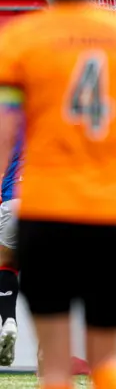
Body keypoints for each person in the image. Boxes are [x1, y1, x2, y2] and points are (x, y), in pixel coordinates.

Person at [0, 0, 116, 387]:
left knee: (55, 367)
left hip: (45, 210)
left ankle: (5, 320)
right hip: (112, 212)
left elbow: (5, 137)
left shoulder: (19, 40)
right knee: (107, 360)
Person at [0, 137, 22, 367]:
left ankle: (8, 320)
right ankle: (45, 351)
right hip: (48, 203)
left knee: (6, 263)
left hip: (13, 199)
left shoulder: (8, 122)